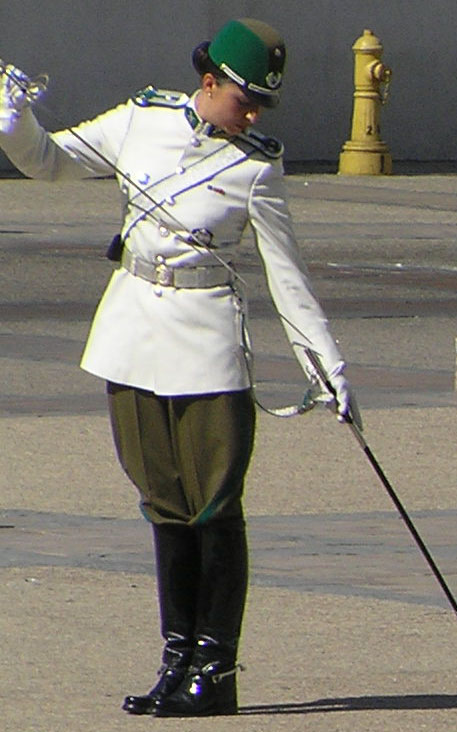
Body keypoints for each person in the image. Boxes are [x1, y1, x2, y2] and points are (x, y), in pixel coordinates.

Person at [0, 17, 358, 717]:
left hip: (206, 344)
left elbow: (289, 280)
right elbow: (52, 160)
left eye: (261, 105)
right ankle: (176, 658)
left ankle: (215, 669)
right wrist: (12, 124)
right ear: (208, 81)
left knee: (215, 507)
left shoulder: (257, 165)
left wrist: (326, 365)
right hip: (134, 330)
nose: (252, 113)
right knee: (163, 503)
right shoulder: (142, 120)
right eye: (243, 98)